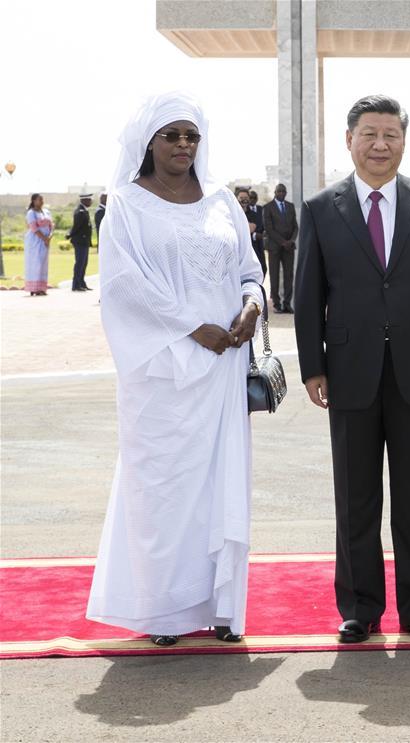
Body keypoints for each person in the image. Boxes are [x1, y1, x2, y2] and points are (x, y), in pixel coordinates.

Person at [86, 91, 264, 647]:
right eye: (172, 135)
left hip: (223, 369)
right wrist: (193, 326)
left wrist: (252, 306)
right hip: (161, 376)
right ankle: (163, 612)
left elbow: (248, 268)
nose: (184, 145)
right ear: (149, 142)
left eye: (191, 136)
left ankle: (220, 608)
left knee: (220, 485)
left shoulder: (221, 201)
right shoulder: (127, 205)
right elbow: (124, 286)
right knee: (161, 490)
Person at [295, 94, 410, 644]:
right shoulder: (322, 209)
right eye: (369, 134)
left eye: (390, 134)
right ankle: (360, 607)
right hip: (349, 371)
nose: (379, 144)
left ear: (403, 140)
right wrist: (311, 367)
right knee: (356, 495)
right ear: (349, 140)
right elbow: (307, 296)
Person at [263, 183, 299, 313]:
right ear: (275, 192)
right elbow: (269, 228)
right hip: (274, 248)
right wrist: (282, 242)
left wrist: (291, 241)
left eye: (284, 192)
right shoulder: (268, 207)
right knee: (274, 276)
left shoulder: (290, 206)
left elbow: (295, 226)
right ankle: (277, 304)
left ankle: (287, 303)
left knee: (289, 276)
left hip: (289, 247)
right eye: (279, 191)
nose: (282, 194)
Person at [24, 193, 52, 296]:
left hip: (45, 241)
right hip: (35, 241)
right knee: (36, 263)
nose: (41, 202)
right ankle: (34, 288)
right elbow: (34, 228)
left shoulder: (46, 212)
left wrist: (49, 237)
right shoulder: (31, 213)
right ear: (34, 201)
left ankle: (42, 288)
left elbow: (51, 225)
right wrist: (44, 238)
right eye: (39, 200)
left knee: (43, 264)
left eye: (42, 200)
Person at [237, 187, 267, 278]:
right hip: (239, 252)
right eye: (241, 198)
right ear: (237, 199)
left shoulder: (255, 215)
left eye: (246, 198)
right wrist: (248, 229)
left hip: (256, 250)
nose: (244, 200)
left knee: (262, 270)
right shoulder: (233, 215)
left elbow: (259, 228)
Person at [68, 193, 93, 291]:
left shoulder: (84, 211)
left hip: (84, 241)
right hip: (80, 241)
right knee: (79, 263)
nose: (90, 202)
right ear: (84, 200)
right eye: (89, 200)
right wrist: (70, 234)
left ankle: (82, 283)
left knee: (84, 263)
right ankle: (76, 285)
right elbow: (76, 227)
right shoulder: (80, 212)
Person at [248, 190, 266, 277]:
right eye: (250, 198)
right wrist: (254, 235)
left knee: (263, 267)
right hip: (250, 243)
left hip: (260, 242)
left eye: (254, 198)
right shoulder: (243, 211)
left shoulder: (261, 209)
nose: (252, 200)